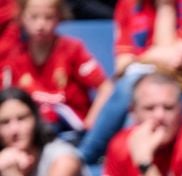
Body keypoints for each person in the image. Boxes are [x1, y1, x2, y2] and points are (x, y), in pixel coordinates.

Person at [77, 0, 182, 163]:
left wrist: (165, 8)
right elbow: (122, 65)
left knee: (134, 86)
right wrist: (151, 59)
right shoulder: (127, 4)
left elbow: (175, 62)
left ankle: (88, 157)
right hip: (148, 84)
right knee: (136, 93)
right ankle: (119, 160)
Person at [0, 0, 114, 136]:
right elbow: (7, 100)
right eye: (34, 17)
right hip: (31, 133)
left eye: (48, 17)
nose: (40, 24)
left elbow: (106, 88)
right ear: (21, 18)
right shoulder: (14, 56)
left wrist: (90, 123)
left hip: (71, 132)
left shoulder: (72, 50)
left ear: (59, 17)